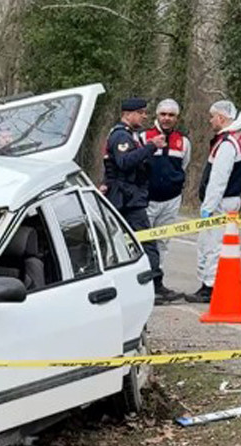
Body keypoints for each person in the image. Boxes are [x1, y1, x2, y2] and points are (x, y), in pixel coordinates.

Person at [104, 97, 166, 292]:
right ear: (128, 114)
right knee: (146, 243)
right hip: (127, 199)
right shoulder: (121, 136)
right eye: (141, 112)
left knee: (128, 244)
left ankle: (144, 285)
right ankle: (154, 287)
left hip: (128, 196)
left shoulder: (130, 135)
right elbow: (124, 162)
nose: (144, 116)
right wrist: (151, 146)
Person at [194, 99, 241, 303]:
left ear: (221, 117)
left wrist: (208, 207)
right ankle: (209, 283)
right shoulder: (238, 138)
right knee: (213, 243)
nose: (210, 121)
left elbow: (218, 179)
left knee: (212, 245)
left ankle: (209, 286)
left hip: (222, 201)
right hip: (229, 199)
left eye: (212, 117)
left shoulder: (228, 143)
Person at [142, 99, 192, 303]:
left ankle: (157, 283)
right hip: (147, 200)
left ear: (176, 118)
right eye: (163, 114)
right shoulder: (144, 137)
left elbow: (184, 166)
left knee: (163, 243)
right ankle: (143, 284)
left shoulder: (183, 141)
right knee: (144, 243)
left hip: (171, 200)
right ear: (156, 115)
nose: (166, 118)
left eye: (171, 115)